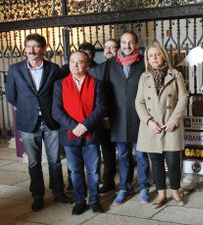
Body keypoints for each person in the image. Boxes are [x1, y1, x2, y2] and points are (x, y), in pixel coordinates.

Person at [6, 33, 72, 212]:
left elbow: (59, 94)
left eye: (35, 46)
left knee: (55, 161)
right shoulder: (15, 69)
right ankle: (37, 195)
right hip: (28, 122)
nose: (31, 50)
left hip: (51, 122)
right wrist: (28, 108)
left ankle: (58, 191)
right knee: (34, 162)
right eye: (28, 46)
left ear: (43, 49)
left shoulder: (53, 69)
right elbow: (11, 96)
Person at [52, 51, 106, 214]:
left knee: (93, 170)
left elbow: (101, 108)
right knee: (75, 170)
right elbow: (57, 110)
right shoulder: (60, 84)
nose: (75, 65)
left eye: (80, 61)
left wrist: (85, 126)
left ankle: (94, 199)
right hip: (70, 134)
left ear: (87, 64)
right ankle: (80, 200)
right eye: (73, 61)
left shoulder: (97, 83)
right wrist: (74, 127)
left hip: (91, 133)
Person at [135, 42, 187, 208]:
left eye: (157, 54)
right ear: (147, 59)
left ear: (163, 55)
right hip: (152, 127)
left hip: (171, 124)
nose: (154, 58)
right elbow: (139, 102)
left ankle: (175, 191)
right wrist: (149, 121)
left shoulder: (175, 74)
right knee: (155, 162)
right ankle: (161, 194)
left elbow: (183, 98)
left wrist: (174, 119)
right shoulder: (144, 77)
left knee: (172, 161)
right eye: (151, 56)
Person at [105, 31, 150, 204]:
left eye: (130, 42)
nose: (127, 46)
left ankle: (144, 185)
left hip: (140, 117)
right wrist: (106, 116)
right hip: (118, 118)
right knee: (122, 155)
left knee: (141, 154)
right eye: (124, 42)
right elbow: (104, 90)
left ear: (136, 44)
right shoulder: (110, 64)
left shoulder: (143, 63)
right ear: (120, 44)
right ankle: (124, 187)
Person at [91, 39, 119, 194]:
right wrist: (103, 116)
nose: (109, 50)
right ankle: (108, 181)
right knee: (107, 152)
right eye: (107, 47)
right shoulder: (96, 69)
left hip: (121, 116)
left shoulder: (123, 68)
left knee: (124, 152)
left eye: (113, 47)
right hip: (102, 117)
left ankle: (126, 182)